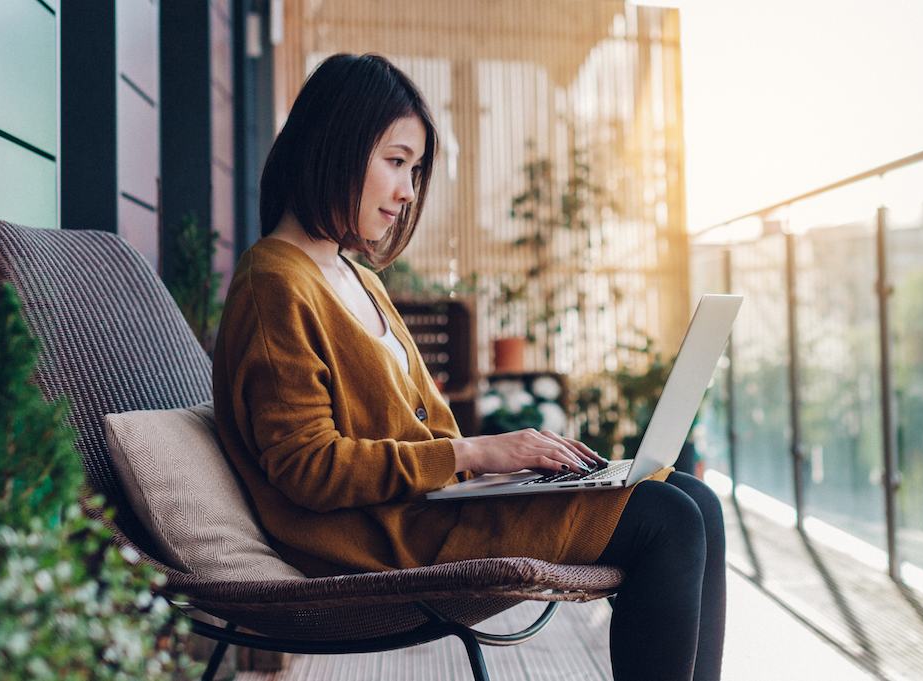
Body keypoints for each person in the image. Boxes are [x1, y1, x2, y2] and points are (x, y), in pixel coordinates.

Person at [212, 53, 725, 681]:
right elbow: (307, 467)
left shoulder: (356, 277)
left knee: (696, 497)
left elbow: (425, 432)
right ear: (335, 146)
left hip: (433, 508)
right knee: (666, 518)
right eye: (395, 162)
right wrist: (476, 456)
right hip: (382, 539)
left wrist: (529, 468)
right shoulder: (275, 283)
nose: (406, 190)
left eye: (414, 169)